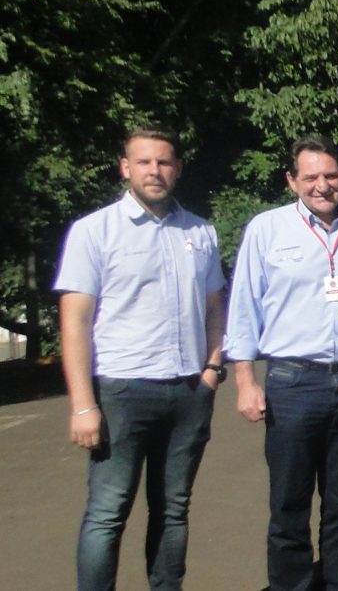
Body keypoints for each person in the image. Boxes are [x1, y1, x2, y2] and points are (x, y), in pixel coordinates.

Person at [55, 126, 226, 591]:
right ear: (126, 168)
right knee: (108, 513)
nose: (155, 171)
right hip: (122, 392)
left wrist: (211, 370)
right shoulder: (94, 231)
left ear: (178, 169)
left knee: (173, 509)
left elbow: (214, 306)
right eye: (144, 162)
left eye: (164, 162)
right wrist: (83, 405)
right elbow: (74, 323)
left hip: (189, 391)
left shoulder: (200, 231)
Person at [226, 134, 338, 591]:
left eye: (331, 175)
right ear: (292, 180)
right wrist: (244, 381)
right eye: (311, 176)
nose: (322, 185)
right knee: (289, 504)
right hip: (293, 383)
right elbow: (243, 310)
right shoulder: (267, 229)